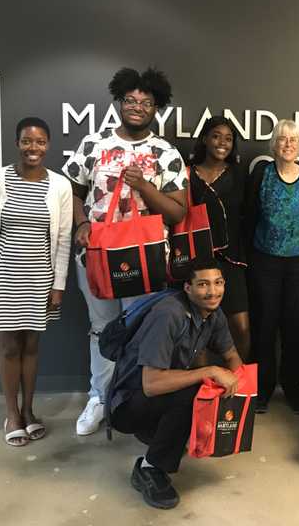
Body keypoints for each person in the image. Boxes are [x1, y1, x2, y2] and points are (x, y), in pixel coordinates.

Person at [64, 67, 188, 436]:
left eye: (146, 102)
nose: (137, 107)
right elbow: (72, 190)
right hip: (99, 255)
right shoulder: (94, 144)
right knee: (101, 328)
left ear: (156, 108)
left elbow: (178, 211)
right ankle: (100, 397)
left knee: (143, 331)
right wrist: (81, 224)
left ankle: (134, 399)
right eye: (131, 100)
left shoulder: (165, 152)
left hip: (146, 259)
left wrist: (147, 188)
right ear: (119, 101)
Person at [110, 258, 243, 509]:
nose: (212, 292)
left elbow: (232, 356)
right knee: (193, 389)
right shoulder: (168, 314)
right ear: (188, 288)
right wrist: (212, 370)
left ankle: (161, 434)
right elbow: (151, 384)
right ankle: (150, 469)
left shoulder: (213, 311)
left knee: (205, 386)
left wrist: (240, 394)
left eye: (218, 283)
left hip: (155, 400)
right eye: (203, 284)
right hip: (129, 406)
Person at [0, 117, 73, 446]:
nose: (34, 148)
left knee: (31, 346)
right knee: (9, 347)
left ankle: (29, 411)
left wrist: (58, 285)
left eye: (40, 142)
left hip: (40, 277)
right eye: (27, 141)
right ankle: (11, 414)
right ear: (17, 143)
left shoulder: (60, 186)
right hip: (3, 277)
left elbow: (62, 240)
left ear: (48, 145)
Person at [243, 119, 299, 414]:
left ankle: (292, 389)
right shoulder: (261, 175)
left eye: (293, 139)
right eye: (282, 139)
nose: (288, 144)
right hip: (264, 262)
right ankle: (262, 390)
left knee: (295, 329)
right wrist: (245, 263)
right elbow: (248, 218)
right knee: (264, 328)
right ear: (273, 144)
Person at [189, 116, 250, 360]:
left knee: (241, 327)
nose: (222, 142)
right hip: (198, 260)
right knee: (198, 329)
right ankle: (205, 392)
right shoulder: (187, 174)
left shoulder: (240, 175)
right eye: (216, 136)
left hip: (232, 261)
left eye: (228, 138)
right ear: (205, 139)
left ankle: (240, 389)